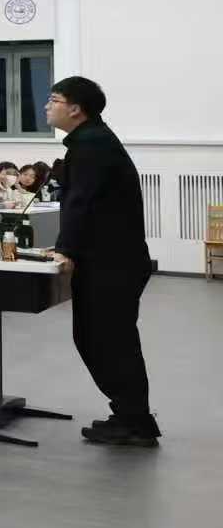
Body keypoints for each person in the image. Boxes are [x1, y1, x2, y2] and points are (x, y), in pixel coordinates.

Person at [45, 76, 159, 446]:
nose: (48, 106)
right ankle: (130, 416)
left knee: (108, 342)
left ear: (76, 109)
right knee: (106, 340)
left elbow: (82, 202)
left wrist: (65, 249)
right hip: (111, 260)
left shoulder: (92, 145)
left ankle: (135, 422)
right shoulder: (92, 140)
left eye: (55, 99)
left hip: (111, 264)